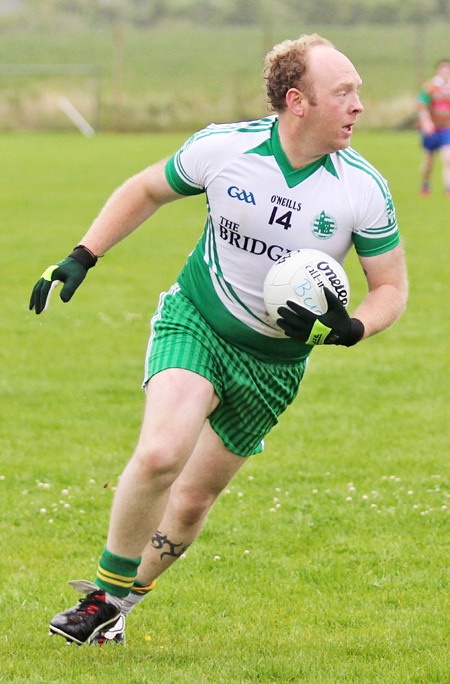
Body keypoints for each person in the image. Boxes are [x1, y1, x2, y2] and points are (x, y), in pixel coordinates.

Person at [30, 33, 408, 647]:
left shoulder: (361, 187)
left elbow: (389, 286)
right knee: (160, 454)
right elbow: (146, 188)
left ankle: (117, 607)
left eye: (358, 91)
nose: (359, 105)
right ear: (297, 101)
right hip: (198, 322)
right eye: (344, 92)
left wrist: (354, 325)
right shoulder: (226, 148)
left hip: (275, 364)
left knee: (192, 501)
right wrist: (81, 256)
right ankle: (102, 593)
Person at [416, 59, 450, 196]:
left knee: (448, 158)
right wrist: (426, 123)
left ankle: (448, 188)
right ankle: (425, 184)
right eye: (444, 69)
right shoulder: (429, 87)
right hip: (432, 130)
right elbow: (422, 107)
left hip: (446, 129)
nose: (446, 72)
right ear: (438, 71)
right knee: (428, 162)